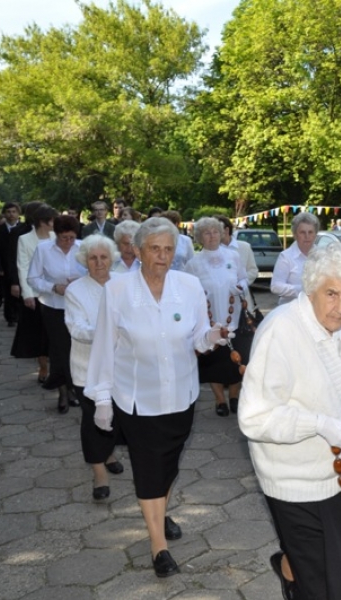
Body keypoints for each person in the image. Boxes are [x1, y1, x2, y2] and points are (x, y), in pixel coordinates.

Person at [85, 216, 232, 577]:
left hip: (180, 396)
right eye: (154, 249)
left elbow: (197, 338)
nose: (163, 256)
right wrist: (101, 398)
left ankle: (160, 512)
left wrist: (212, 336)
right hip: (137, 398)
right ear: (138, 251)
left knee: (169, 465)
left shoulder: (189, 285)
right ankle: (158, 546)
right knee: (149, 467)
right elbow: (104, 347)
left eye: (168, 249)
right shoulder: (117, 290)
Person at [238, 242, 341, 600]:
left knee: (340, 549)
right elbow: (255, 417)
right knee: (329, 586)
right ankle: (296, 574)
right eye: (331, 294)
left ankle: (289, 566)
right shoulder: (281, 331)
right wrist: (318, 424)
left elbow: (323, 379)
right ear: (311, 289)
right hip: (297, 481)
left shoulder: (338, 326)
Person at [64, 234, 124, 500]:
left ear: (112, 259)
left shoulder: (124, 283)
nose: (99, 263)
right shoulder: (75, 290)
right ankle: (99, 471)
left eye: (104, 257)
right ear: (84, 261)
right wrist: (109, 332)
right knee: (92, 419)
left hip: (121, 365)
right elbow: (76, 328)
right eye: (93, 258)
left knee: (117, 415)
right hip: (87, 366)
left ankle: (108, 453)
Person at [185, 217, 249, 416]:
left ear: (221, 234)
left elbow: (244, 278)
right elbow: (189, 290)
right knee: (214, 362)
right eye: (207, 233)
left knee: (236, 358)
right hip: (209, 320)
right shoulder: (194, 263)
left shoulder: (233, 256)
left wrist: (240, 287)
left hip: (234, 317)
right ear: (199, 237)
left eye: (215, 232)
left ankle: (234, 397)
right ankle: (220, 400)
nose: (212, 236)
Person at [28, 215, 86, 413]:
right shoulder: (43, 249)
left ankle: (72, 388)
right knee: (59, 350)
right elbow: (33, 278)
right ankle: (62, 390)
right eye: (64, 238)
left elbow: (94, 274)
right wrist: (53, 287)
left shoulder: (83, 248)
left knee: (76, 349)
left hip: (79, 307)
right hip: (53, 306)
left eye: (72, 238)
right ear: (56, 234)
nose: (68, 242)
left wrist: (79, 282)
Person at [11, 203, 56, 386]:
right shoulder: (24, 240)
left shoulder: (56, 237)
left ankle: (58, 368)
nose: (55, 223)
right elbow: (22, 267)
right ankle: (43, 366)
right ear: (43, 222)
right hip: (35, 293)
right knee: (39, 333)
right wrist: (27, 294)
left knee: (54, 333)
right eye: (53, 220)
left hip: (55, 292)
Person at [271, 212, 320, 305]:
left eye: (310, 232)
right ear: (295, 235)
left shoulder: (323, 255)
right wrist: (302, 290)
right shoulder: (286, 257)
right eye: (302, 232)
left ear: (315, 234)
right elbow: (275, 286)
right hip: (290, 309)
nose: (307, 236)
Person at [0, 202, 21, 318]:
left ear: (18, 213)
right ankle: (10, 316)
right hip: (4, 265)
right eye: (8, 212)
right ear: (4, 214)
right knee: (7, 291)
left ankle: (19, 314)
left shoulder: (25, 229)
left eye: (14, 212)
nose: (11, 215)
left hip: (21, 264)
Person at [218, 215, 259, 313]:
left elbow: (253, 270)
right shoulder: (212, 250)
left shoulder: (245, 247)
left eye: (216, 231)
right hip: (220, 299)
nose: (213, 235)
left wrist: (240, 284)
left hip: (242, 299)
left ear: (226, 230)